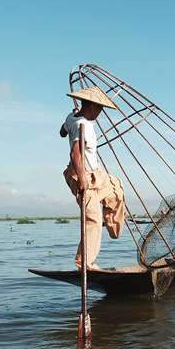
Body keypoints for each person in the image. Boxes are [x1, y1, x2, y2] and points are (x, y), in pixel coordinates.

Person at [60, 86, 126, 270]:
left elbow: (62, 131)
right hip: (82, 173)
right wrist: (82, 180)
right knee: (92, 220)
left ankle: (112, 224)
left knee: (116, 187)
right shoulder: (84, 125)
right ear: (91, 106)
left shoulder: (72, 118)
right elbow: (75, 154)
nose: (99, 113)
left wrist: (69, 123)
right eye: (99, 109)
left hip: (94, 173)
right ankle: (85, 264)